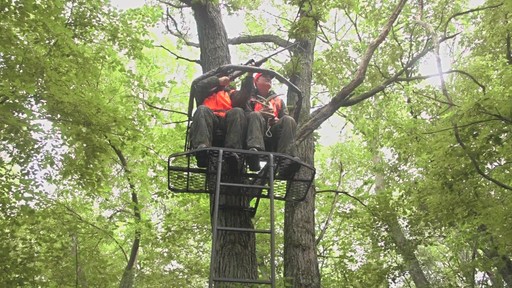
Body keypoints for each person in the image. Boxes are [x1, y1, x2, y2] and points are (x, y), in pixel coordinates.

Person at [189, 74, 253, 169]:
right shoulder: (204, 92)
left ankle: (232, 152)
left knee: (238, 111)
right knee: (202, 109)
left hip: (226, 122)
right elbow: (198, 86)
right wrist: (217, 81)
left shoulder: (231, 94)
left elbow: (243, 96)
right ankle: (202, 149)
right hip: (209, 121)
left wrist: (249, 77)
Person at [245, 73, 299, 175]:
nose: (269, 78)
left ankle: (286, 160)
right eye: (265, 76)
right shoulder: (249, 98)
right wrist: (261, 114)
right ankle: (254, 153)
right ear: (256, 81)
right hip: (254, 133)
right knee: (255, 115)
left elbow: (284, 119)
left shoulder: (278, 101)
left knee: (289, 120)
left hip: (272, 134)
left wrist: (277, 120)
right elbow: (244, 116)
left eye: (270, 78)